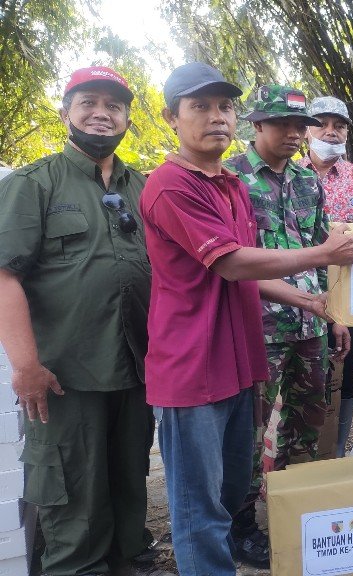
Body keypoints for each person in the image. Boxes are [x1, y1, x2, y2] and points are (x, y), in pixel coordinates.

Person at [142, 62, 353, 576]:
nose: (216, 117)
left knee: (231, 483)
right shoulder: (171, 185)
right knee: (199, 507)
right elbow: (231, 261)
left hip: (236, 357)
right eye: (199, 107)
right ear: (171, 118)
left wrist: (316, 303)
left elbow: (243, 272)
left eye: (223, 105)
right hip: (193, 366)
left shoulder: (228, 184)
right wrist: (322, 256)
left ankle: (279, 521)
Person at [0, 66, 168, 576]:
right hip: (65, 376)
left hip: (137, 369)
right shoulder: (35, 183)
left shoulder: (146, 187)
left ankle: (128, 561)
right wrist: (25, 364)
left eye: (113, 106)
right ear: (66, 111)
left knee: (128, 481)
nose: (101, 114)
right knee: (72, 495)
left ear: (127, 119)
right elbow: (5, 276)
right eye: (89, 102)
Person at [224, 85, 350, 568]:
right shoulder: (231, 178)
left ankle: (299, 506)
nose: (295, 134)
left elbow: (323, 254)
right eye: (282, 125)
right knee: (250, 430)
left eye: (301, 125)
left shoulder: (306, 180)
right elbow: (232, 261)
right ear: (257, 126)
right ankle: (242, 524)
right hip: (258, 325)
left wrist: (335, 315)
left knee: (309, 416)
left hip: (310, 324)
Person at [300, 96, 353, 456]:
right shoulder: (290, 174)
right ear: (306, 130)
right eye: (322, 124)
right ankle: (299, 456)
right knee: (300, 378)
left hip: (349, 296)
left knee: (345, 373)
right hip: (294, 294)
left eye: (339, 125)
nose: (331, 132)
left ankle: (336, 450)